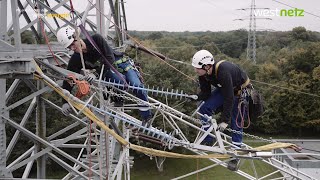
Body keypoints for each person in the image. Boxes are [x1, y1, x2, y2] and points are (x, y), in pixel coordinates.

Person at [56, 26, 152, 125]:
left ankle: (147, 117)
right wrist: (65, 101)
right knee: (120, 84)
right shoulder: (76, 58)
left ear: (77, 37)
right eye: (69, 47)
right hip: (108, 72)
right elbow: (69, 80)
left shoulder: (95, 40)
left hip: (122, 64)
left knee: (136, 86)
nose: (72, 48)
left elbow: (109, 58)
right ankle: (118, 96)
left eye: (72, 44)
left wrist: (95, 74)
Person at [191, 50, 251, 171]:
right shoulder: (204, 74)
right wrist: (197, 96)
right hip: (226, 89)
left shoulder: (223, 71)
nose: (196, 71)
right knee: (204, 108)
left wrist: (224, 121)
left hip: (240, 92)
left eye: (197, 68)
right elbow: (206, 93)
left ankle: (235, 155)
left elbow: (229, 98)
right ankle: (208, 138)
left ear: (207, 66)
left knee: (236, 123)